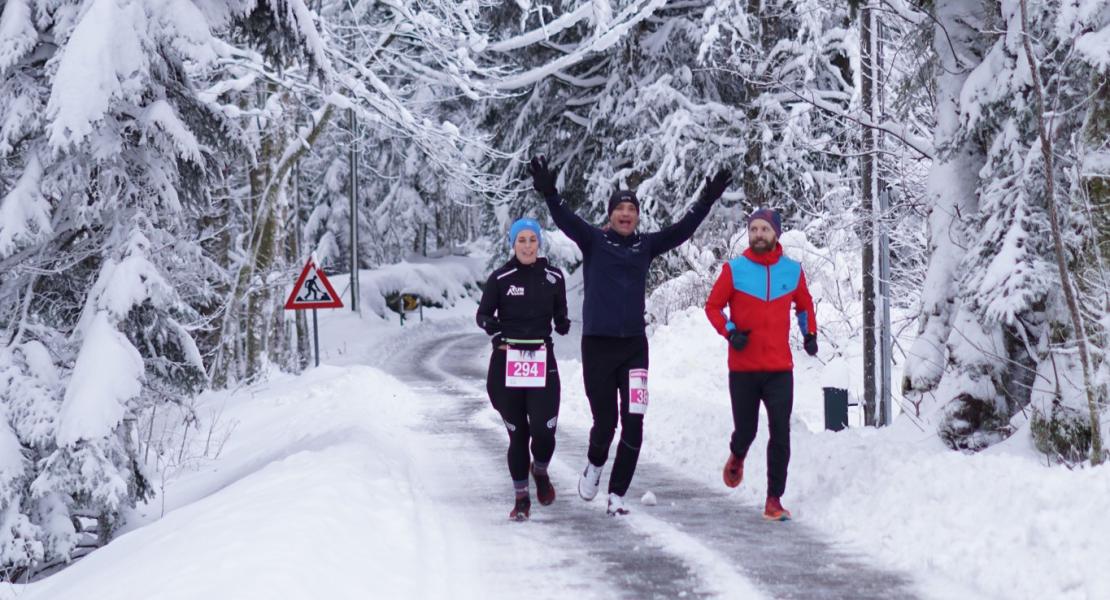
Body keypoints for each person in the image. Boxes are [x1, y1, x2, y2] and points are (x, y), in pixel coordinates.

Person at [527, 155, 731, 516]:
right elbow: (567, 220)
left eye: (631, 209)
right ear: (610, 215)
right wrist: (550, 194)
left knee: (634, 421)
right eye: (619, 209)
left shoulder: (646, 246)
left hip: (634, 347)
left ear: (638, 216)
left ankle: (616, 495)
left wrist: (706, 200)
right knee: (605, 424)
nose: (625, 214)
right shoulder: (593, 241)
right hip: (598, 347)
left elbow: (682, 230)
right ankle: (594, 465)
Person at [704, 208, 818, 521]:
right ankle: (737, 454)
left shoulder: (792, 271)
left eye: (764, 229)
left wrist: (809, 334)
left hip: (780, 368)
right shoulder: (734, 269)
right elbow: (713, 306)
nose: (758, 234)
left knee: (780, 432)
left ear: (776, 234)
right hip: (743, 368)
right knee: (747, 430)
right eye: (753, 229)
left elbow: (804, 304)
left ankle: (774, 499)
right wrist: (730, 333)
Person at [476, 218, 571, 521]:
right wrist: (489, 325)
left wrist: (562, 322)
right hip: (507, 364)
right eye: (522, 240)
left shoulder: (554, 277)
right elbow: (483, 314)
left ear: (539, 242)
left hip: (542, 362)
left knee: (544, 431)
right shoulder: (501, 278)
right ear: (513, 244)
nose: (528, 246)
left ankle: (539, 470)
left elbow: (560, 312)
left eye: (532, 239)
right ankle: (521, 499)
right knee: (519, 436)